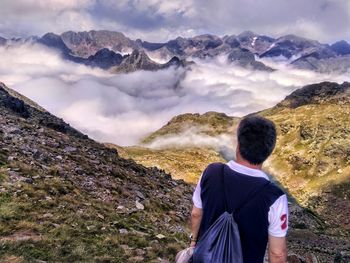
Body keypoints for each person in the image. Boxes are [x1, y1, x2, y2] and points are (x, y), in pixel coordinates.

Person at [190, 116, 288, 263]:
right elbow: (277, 253)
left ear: (238, 145)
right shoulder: (275, 197)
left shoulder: (211, 172)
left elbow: (196, 214)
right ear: (268, 153)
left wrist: (193, 243)